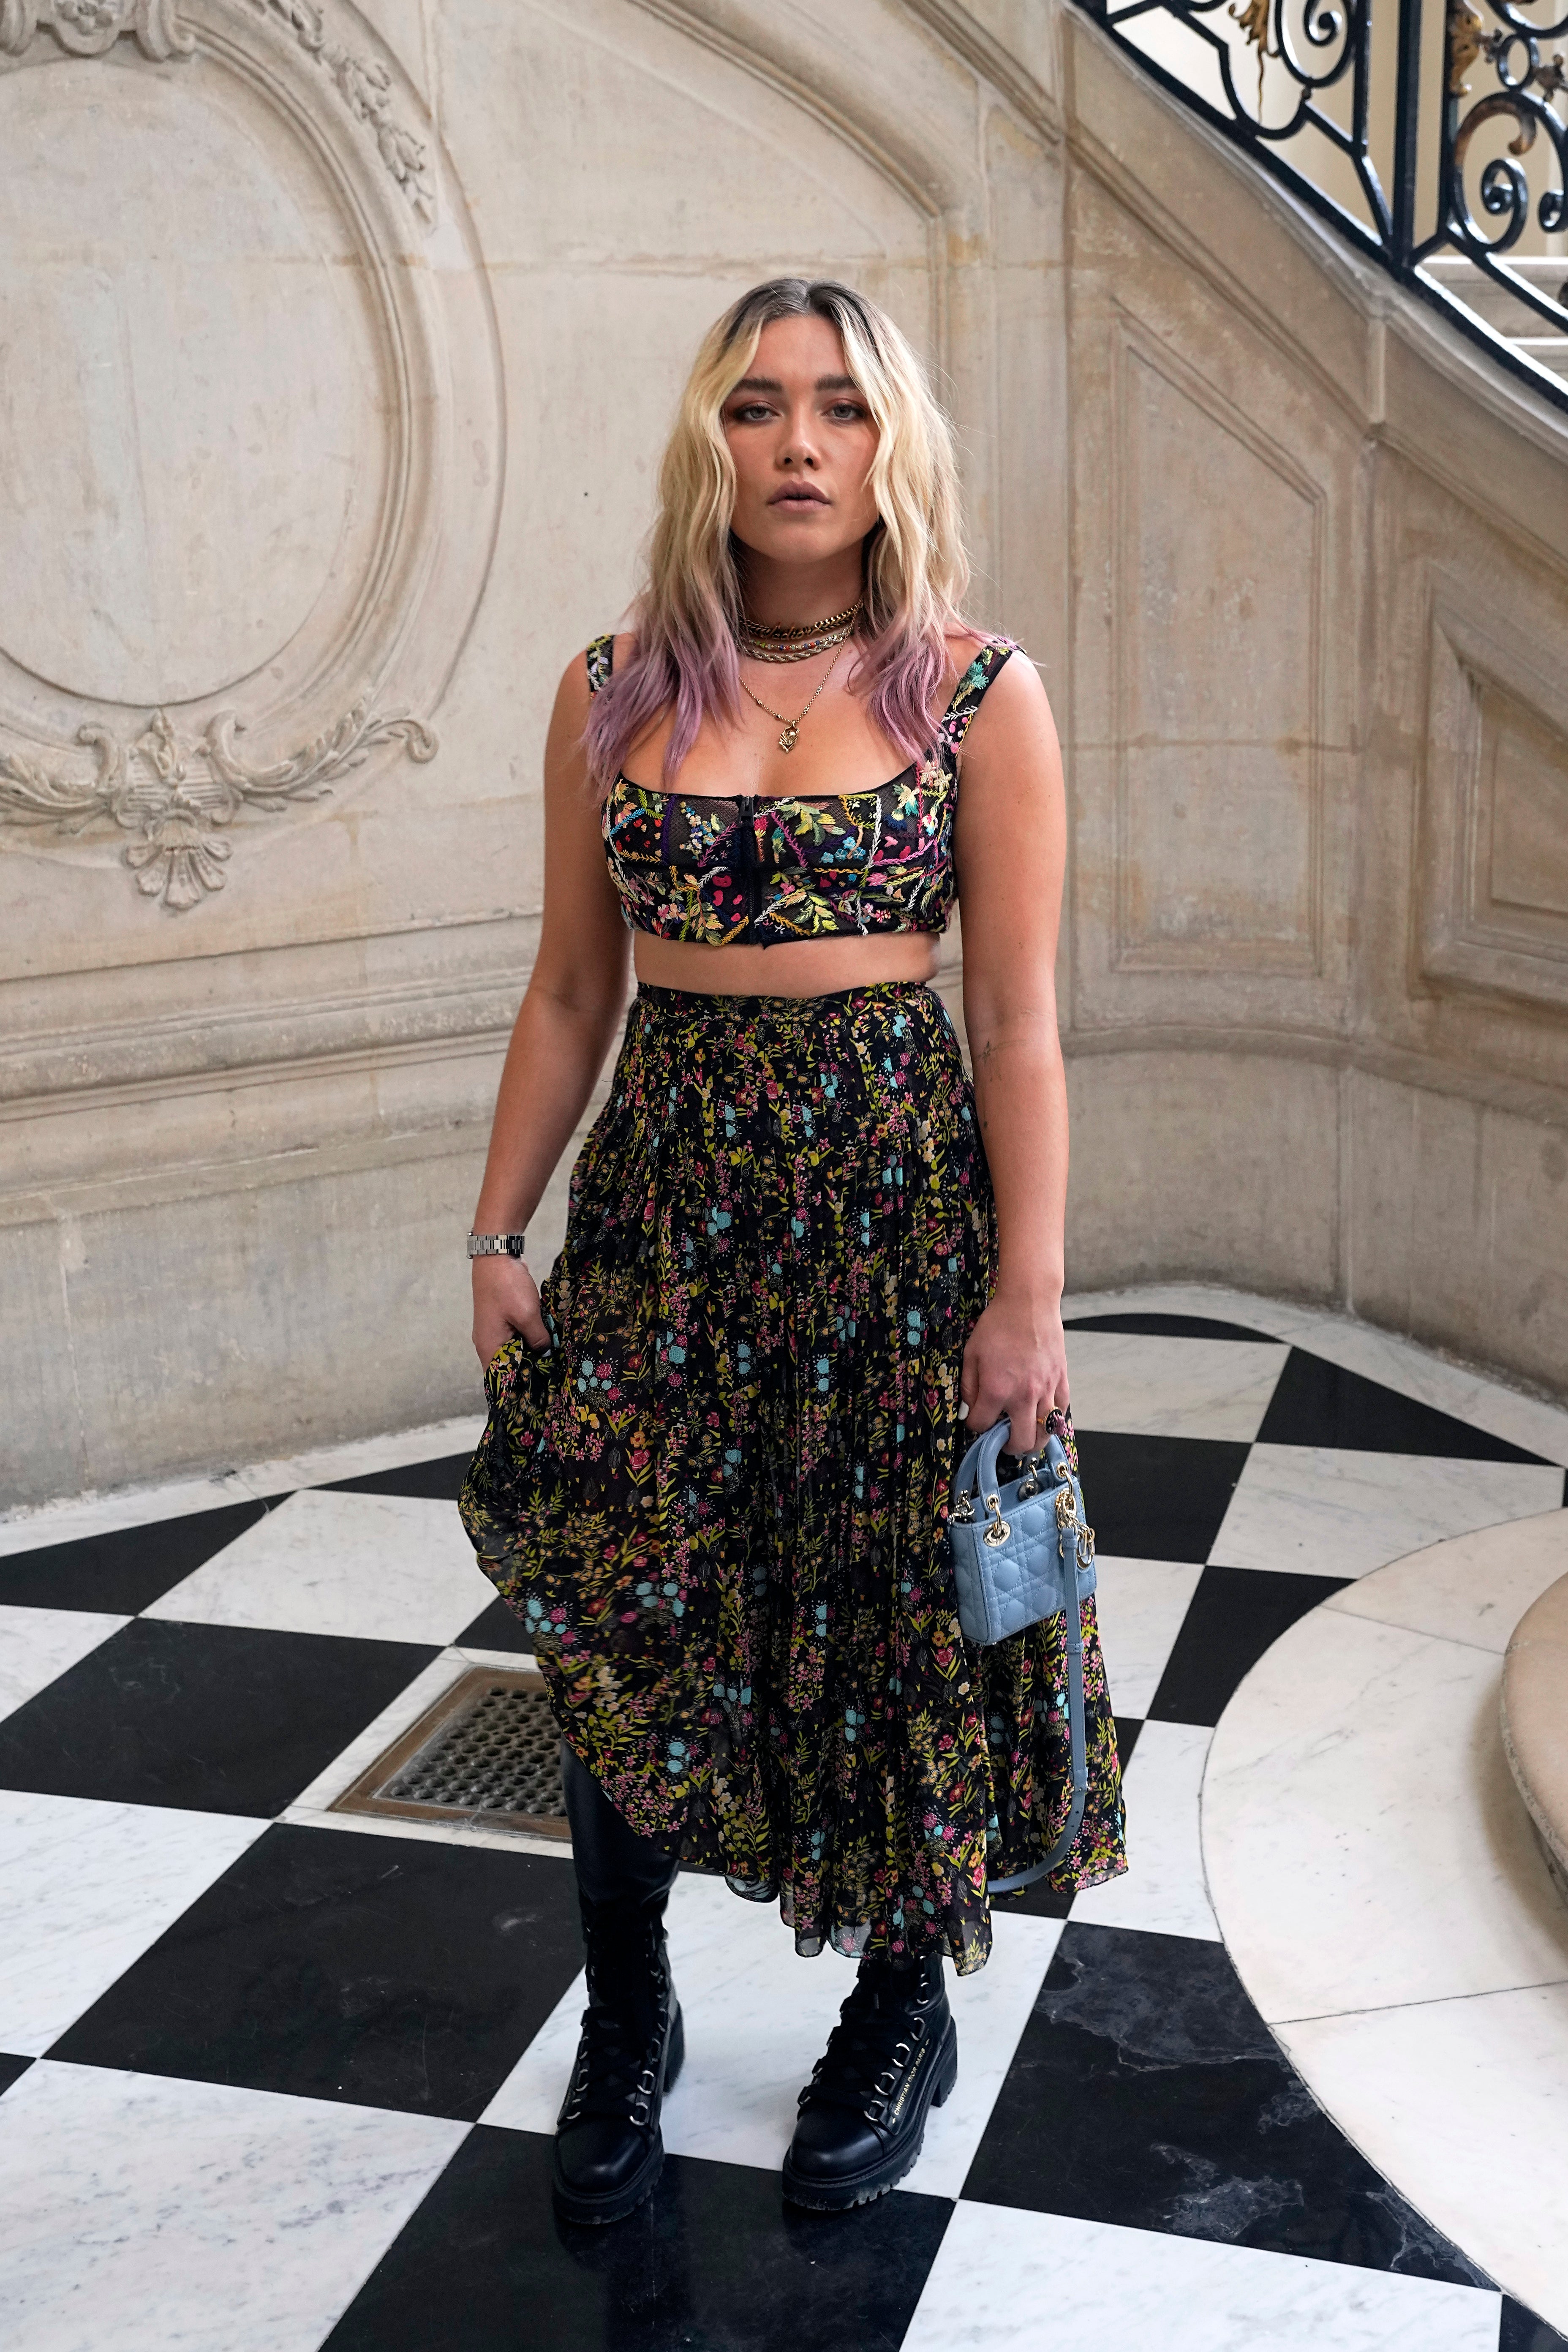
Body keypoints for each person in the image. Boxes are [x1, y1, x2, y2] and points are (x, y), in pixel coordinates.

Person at [460, 277, 1126, 2225]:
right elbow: (574, 992)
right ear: (712, 446)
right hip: (666, 1219)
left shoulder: (976, 694)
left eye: (838, 406)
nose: (801, 443)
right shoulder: (608, 690)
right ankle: (629, 2013)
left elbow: (1013, 1019)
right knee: (625, 1605)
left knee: (895, 1614)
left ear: (888, 441)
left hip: (895, 1215)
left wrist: (1028, 1293)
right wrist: (501, 1224)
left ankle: (898, 2010)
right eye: (758, 409)